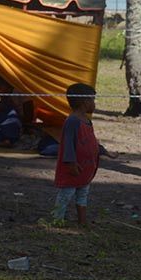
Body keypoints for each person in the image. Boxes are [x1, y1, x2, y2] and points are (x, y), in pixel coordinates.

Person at [53, 84, 101, 226]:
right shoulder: (72, 121)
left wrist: (104, 151)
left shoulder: (86, 121)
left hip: (85, 169)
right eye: (93, 100)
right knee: (65, 195)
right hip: (74, 168)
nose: (94, 104)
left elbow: (90, 141)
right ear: (85, 102)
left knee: (82, 195)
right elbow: (67, 144)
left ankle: (82, 221)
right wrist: (71, 163)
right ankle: (57, 220)